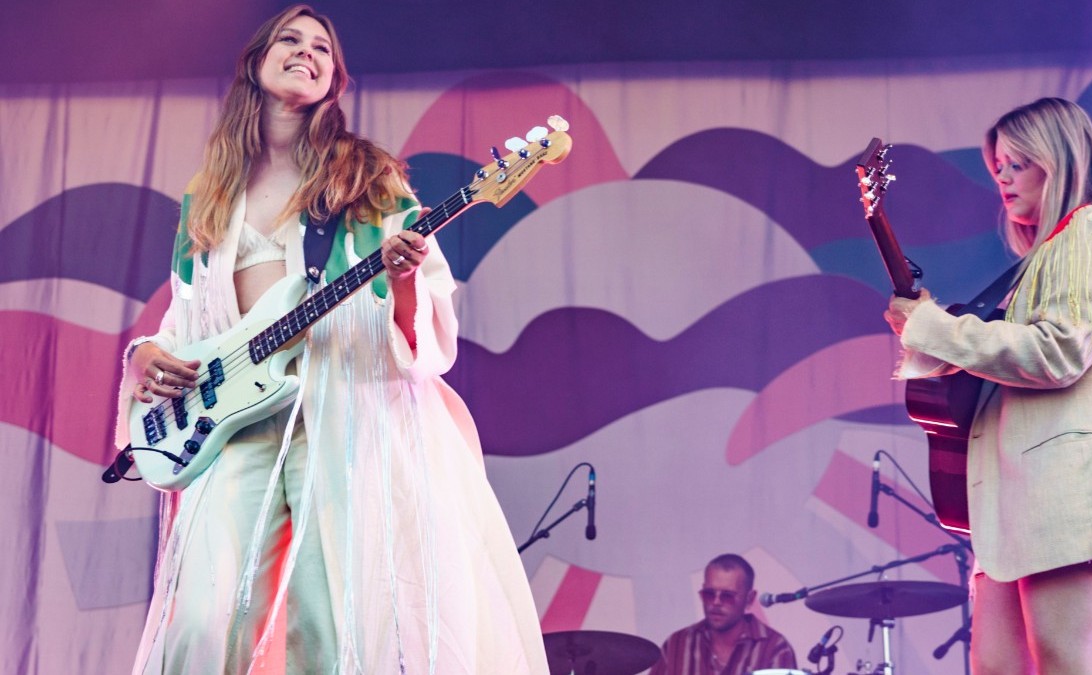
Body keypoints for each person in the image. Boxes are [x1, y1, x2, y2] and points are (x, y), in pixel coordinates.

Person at [112, 5, 548, 673]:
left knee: (334, 620)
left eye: (322, 47)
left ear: (333, 81)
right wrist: (144, 354)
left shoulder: (368, 179)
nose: (307, 51)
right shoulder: (207, 197)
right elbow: (188, 320)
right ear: (256, 63)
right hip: (234, 424)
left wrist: (401, 279)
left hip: (340, 413)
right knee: (203, 619)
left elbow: (424, 312)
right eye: (290, 38)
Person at [884, 97, 1092, 674]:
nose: (1001, 175)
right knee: (996, 666)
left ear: (1059, 158)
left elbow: (1059, 351)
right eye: (997, 165)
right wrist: (934, 336)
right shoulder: (1057, 251)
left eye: (1017, 162)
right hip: (1026, 495)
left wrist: (937, 328)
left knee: (1066, 661)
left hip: (1066, 491)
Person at [650, 554, 798, 675]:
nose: (716, 602)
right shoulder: (677, 644)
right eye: (709, 594)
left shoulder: (774, 648)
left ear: (749, 598)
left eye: (727, 596)